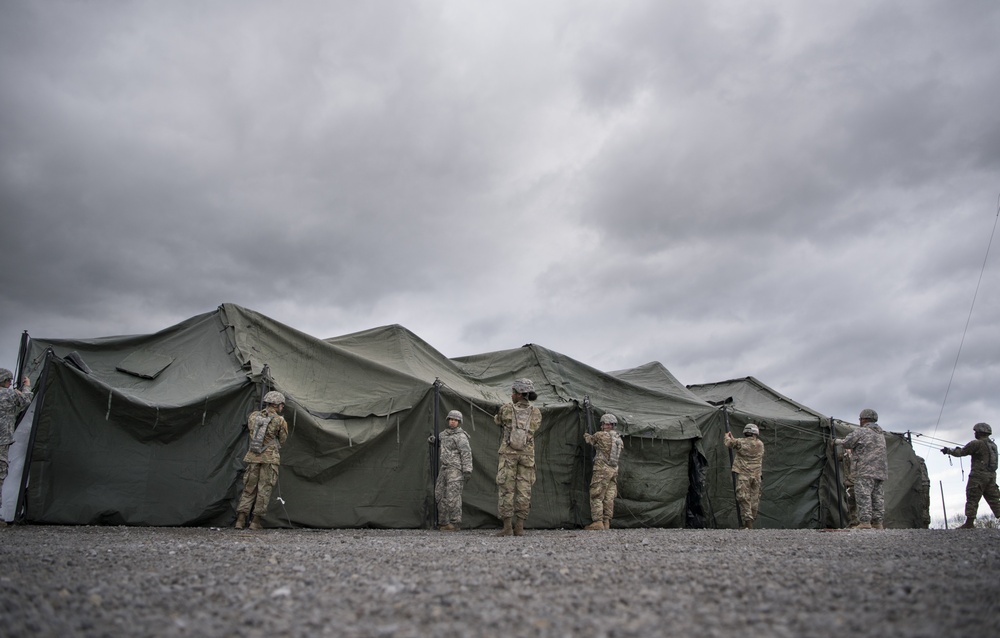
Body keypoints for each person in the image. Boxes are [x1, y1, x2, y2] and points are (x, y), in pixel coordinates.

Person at [494, 378, 542, 537]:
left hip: (508, 454)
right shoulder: (536, 412)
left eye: (513, 392)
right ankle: (520, 527)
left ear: (520, 394)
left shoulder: (506, 409)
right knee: (524, 490)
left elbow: (498, 420)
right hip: (527, 455)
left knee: (506, 488)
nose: (512, 394)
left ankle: (507, 527)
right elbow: (536, 427)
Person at [235, 391, 289, 530]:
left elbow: (251, 432)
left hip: (253, 457)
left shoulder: (253, 417)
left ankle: (240, 520)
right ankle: (255, 522)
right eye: (282, 405)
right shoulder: (280, 420)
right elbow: (282, 440)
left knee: (248, 488)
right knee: (264, 489)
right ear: (278, 405)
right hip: (270, 460)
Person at [833, 408, 888, 530]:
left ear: (863, 419)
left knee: (863, 495)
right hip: (880, 471)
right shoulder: (880, 434)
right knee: (877, 496)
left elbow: (847, 443)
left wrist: (836, 441)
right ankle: (878, 523)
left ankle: (865, 522)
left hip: (865, 470)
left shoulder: (861, 432)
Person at [941, 422, 1000, 529]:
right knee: (995, 500)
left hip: (978, 477)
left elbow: (961, 452)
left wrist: (948, 451)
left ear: (979, 432)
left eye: (975, 431)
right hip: (991, 477)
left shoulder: (977, 444)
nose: (974, 433)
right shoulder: (993, 445)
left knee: (972, 498)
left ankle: (969, 523)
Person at [0, 369, 32, 526]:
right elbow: (26, 400)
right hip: (2, 442)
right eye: (8, 381)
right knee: (0, 475)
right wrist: (26, 386)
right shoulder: (9, 394)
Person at [583, 413, 624, 530]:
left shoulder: (600, 435)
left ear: (606, 424)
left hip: (602, 470)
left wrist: (586, 434)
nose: (602, 426)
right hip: (613, 470)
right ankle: (607, 522)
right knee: (609, 497)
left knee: (596, 495)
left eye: (603, 424)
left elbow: (590, 440)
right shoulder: (618, 439)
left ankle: (597, 522)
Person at [435, 410, 473, 531]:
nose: (453, 422)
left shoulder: (461, 437)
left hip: (455, 468)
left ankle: (455, 523)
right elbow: (439, 442)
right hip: (444, 467)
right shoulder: (443, 434)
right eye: (451, 419)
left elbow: (466, 453)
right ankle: (443, 522)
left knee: (453, 496)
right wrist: (433, 440)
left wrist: (467, 470)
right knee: (439, 494)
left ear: (459, 422)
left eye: (456, 420)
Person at [724, 423, 765, 529]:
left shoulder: (741, 442)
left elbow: (729, 444)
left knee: (744, 499)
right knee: (754, 500)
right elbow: (741, 444)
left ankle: (748, 524)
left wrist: (727, 437)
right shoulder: (760, 444)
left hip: (744, 476)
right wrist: (733, 439)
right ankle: (751, 520)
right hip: (756, 476)